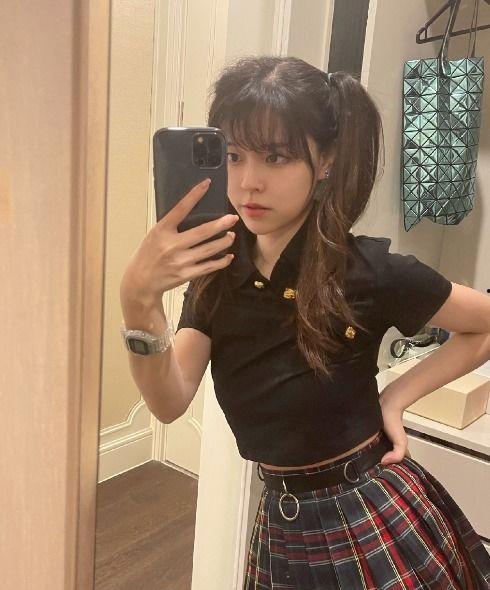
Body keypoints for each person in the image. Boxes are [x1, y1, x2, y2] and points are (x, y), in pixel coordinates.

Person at [120, 56, 490, 589]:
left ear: (326, 160)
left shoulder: (367, 270)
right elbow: (168, 400)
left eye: (275, 157)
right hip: (280, 522)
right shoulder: (218, 273)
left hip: (370, 510)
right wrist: (139, 301)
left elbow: (482, 325)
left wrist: (394, 398)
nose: (249, 182)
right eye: (234, 155)